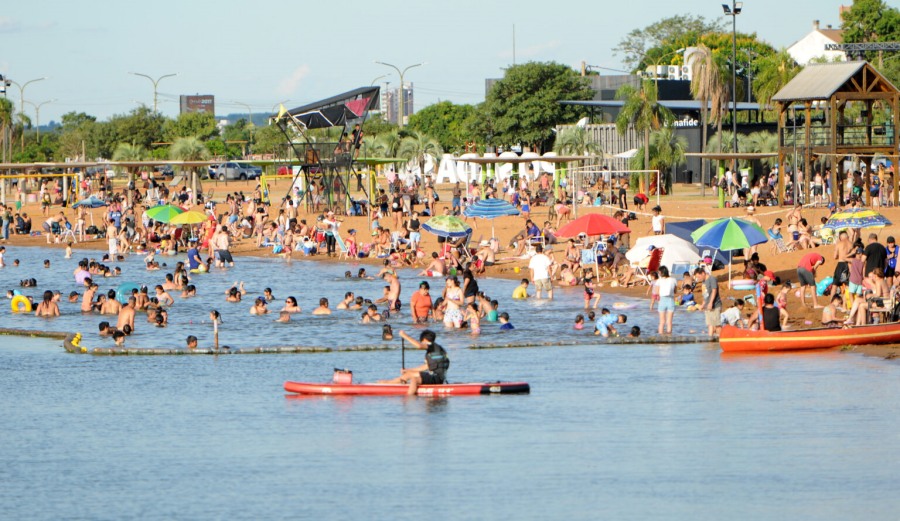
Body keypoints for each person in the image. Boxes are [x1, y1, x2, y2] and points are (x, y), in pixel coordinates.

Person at [380, 330, 449, 395]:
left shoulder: (432, 346)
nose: (422, 343)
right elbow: (426, 367)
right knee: (409, 374)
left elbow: (419, 346)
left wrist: (404, 336)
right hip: (434, 376)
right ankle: (389, 383)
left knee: (414, 380)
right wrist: (408, 370)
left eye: (422, 341)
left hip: (436, 378)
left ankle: (409, 397)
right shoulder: (436, 350)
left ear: (424, 340)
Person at [695, 268, 722, 336]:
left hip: (715, 305)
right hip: (707, 306)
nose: (698, 278)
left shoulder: (712, 279)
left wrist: (711, 302)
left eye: (699, 276)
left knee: (717, 325)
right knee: (710, 324)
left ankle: (721, 339)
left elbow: (714, 290)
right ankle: (710, 341)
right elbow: (705, 295)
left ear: (703, 273)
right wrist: (703, 305)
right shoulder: (704, 281)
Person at [656, 266, 677, 335]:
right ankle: (669, 336)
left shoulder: (659, 281)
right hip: (670, 300)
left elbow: (656, 292)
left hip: (662, 300)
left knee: (662, 322)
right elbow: (675, 291)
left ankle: (660, 336)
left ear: (661, 272)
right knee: (669, 322)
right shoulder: (673, 280)